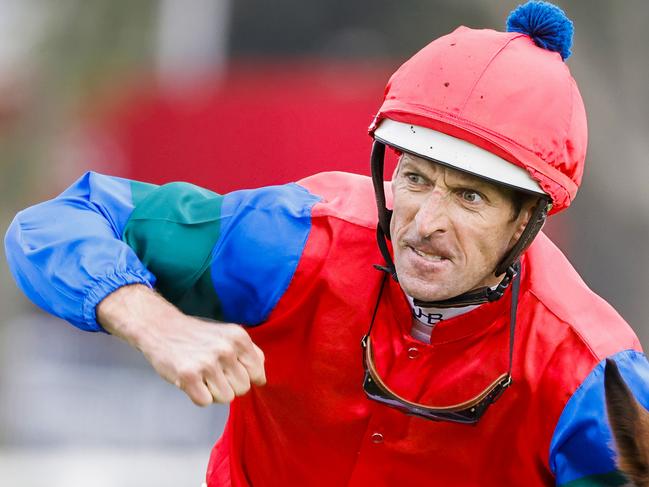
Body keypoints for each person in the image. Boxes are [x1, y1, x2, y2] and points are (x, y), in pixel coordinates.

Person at [5, 2, 649, 486]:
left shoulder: (589, 374)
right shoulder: (295, 240)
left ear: (525, 222)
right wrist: (151, 319)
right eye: (416, 179)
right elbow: (62, 220)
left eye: (470, 198)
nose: (424, 222)